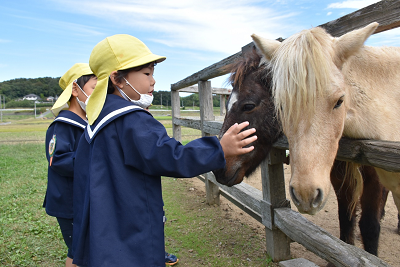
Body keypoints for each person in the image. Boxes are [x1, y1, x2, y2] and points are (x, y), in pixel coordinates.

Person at [72, 34, 257, 267]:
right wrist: (219, 148)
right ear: (117, 79)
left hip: (107, 223)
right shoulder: (132, 121)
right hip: (132, 227)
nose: (153, 81)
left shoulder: (96, 120)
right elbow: (172, 156)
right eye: (146, 74)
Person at [43, 63, 97, 267]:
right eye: (94, 88)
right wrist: (97, 160)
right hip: (69, 203)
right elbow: (58, 160)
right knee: (78, 253)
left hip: (83, 200)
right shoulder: (62, 125)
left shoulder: (89, 122)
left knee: (86, 249)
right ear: (75, 90)